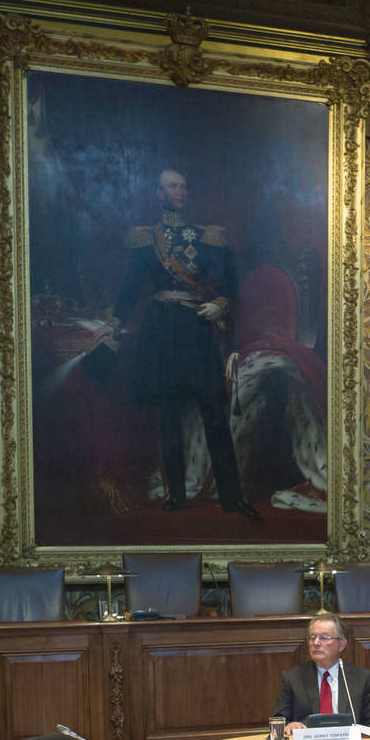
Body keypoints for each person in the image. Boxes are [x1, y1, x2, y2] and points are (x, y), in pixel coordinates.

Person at [110, 167, 258, 522]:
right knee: (169, 415)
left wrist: (220, 303)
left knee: (214, 413)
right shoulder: (146, 240)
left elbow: (230, 282)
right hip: (161, 332)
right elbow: (130, 288)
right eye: (173, 187)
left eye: (183, 186)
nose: (180, 191)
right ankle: (176, 495)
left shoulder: (207, 237)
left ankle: (232, 497)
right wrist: (113, 323)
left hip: (196, 329)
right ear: (159, 194)